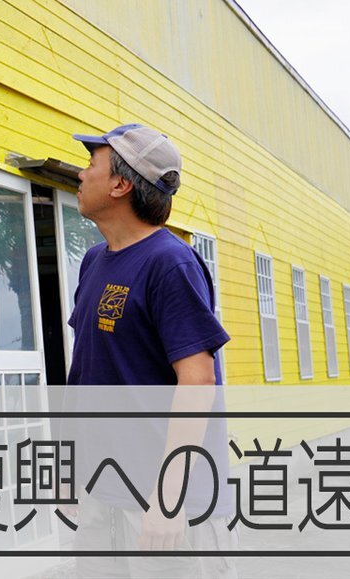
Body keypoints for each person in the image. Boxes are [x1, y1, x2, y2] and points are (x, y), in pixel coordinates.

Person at [65, 123, 237, 578]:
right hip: (105, 492)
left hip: (166, 505)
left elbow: (197, 382)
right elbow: (89, 372)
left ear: (120, 185)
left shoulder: (170, 263)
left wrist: (169, 497)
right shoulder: (94, 262)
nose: (81, 174)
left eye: (91, 164)